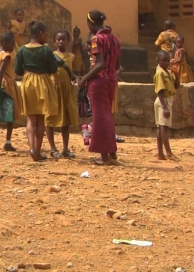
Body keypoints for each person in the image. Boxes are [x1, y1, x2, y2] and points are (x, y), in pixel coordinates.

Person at [14, 21, 65, 162]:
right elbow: (53, 69)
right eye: (46, 34)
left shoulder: (22, 50)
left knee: (31, 118)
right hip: (43, 82)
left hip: (28, 82)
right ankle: (37, 149)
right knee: (41, 118)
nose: (47, 37)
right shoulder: (46, 50)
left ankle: (31, 148)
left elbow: (17, 70)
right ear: (41, 33)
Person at [78, 10, 120, 165]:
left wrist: (84, 78)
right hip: (111, 80)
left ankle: (104, 156)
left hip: (99, 81)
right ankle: (111, 150)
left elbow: (100, 64)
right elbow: (116, 64)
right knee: (107, 114)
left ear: (91, 23)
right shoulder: (114, 39)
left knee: (100, 117)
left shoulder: (97, 39)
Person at [47, 30, 78, 159]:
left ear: (68, 41)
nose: (61, 41)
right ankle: (53, 148)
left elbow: (73, 72)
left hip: (67, 89)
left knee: (66, 119)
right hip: (54, 88)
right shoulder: (51, 55)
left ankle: (65, 148)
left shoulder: (71, 57)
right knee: (50, 119)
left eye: (63, 39)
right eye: (58, 39)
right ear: (54, 41)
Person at [153, 50, 175, 161]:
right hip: (163, 101)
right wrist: (165, 107)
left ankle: (161, 153)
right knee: (163, 128)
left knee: (160, 127)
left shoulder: (168, 72)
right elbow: (160, 91)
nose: (167, 63)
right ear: (158, 60)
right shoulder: (160, 73)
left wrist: (177, 73)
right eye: (164, 61)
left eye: (168, 61)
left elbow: (176, 85)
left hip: (168, 100)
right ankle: (168, 152)